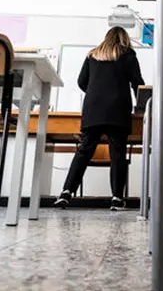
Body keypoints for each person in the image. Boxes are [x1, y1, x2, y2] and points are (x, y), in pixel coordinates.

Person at [54, 26, 144, 210]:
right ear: (124, 39)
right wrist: (143, 107)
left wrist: (97, 93)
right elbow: (138, 84)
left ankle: (66, 192)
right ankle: (117, 198)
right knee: (117, 153)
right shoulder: (128, 55)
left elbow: (81, 82)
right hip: (118, 108)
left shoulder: (92, 55)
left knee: (84, 151)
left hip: (93, 108)